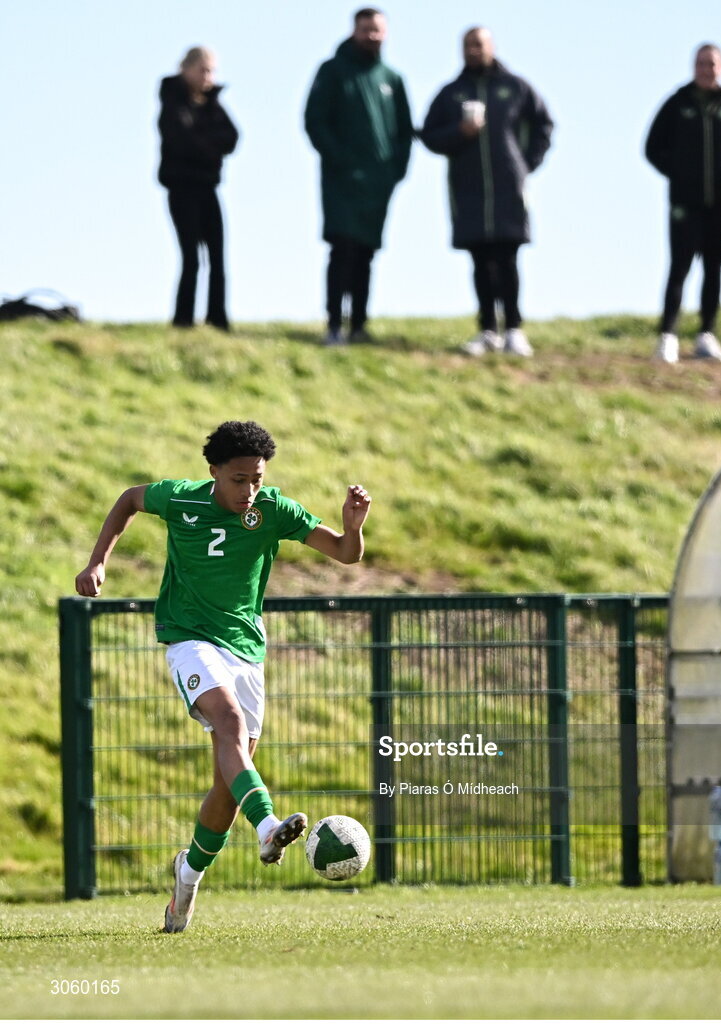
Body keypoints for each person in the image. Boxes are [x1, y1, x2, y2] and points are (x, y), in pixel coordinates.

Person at [74, 421, 371, 932]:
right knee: (228, 724)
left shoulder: (273, 509)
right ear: (213, 472)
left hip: (246, 652)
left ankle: (186, 878)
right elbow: (128, 499)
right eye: (238, 479)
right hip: (189, 638)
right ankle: (268, 827)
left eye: (256, 478)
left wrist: (354, 525)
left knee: (228, 786)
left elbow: (345, 554)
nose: (248, 489)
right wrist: (98, 562)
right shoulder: (180, 500)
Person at [421, 27, 553, 358]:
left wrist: (525, 165)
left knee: (507, 258)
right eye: (468, 45)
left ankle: (514, 330)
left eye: (479, 44)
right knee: (480, 260)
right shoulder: (452, 93)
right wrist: (459, 132)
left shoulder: (515, 88)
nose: (474, 50)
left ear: (492, 46)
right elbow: (429, 135)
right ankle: (486, 330)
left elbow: (544, 125)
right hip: (468, 190)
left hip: (509, 189)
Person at [645, 43, 721, 364]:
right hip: (685, 202)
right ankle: (667, 335)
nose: (705, 69)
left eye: (711, 64)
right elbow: (652, 147)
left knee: (714, 267)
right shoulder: (677, 103)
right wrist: (678, 174)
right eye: (700, 63)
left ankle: (706, 334)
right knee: (679, 267)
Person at [304, 8, 413, 346]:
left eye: (378, 29)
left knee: (366, 250)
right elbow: (315, 121)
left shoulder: (392, 79)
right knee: (342, 248)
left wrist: (395, 170)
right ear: (354, 31)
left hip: (378, 181)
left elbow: (404, 130)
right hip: (341, 180)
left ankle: (360, 324)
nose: (372, 35)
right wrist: (340, 159)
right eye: (366, 29)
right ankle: (335, 323)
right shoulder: (333, 71)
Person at [158, 47, 239, 331]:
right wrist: (207, 146)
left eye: (212, 70)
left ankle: (218, 320)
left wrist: (204, 142)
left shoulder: (212, 105)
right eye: (203, 70)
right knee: (191, 258)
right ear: (186, 69)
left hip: (208, 188)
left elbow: (231, 137)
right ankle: (183, 321)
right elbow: (182, 140)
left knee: (217, 257)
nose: (208, 77)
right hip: (182, 189)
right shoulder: (172, 103)